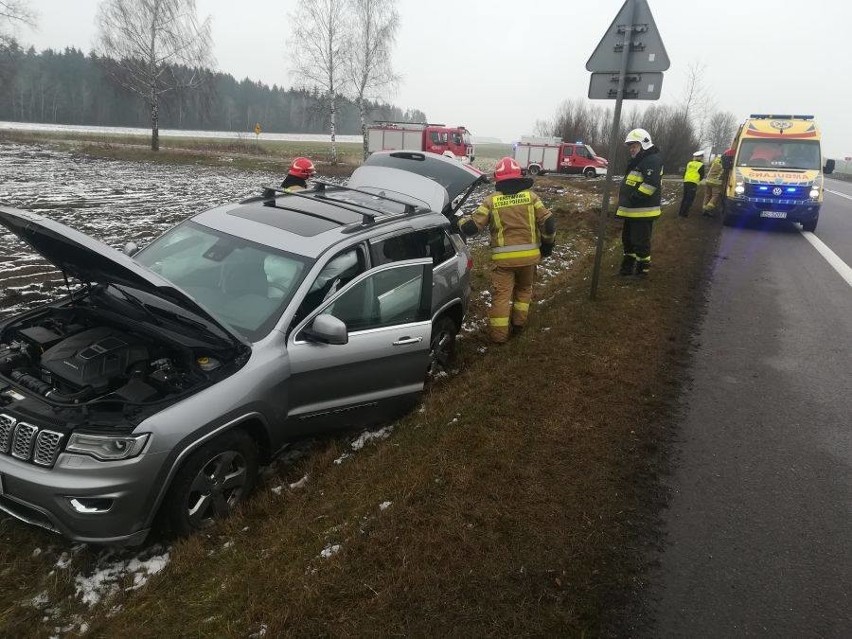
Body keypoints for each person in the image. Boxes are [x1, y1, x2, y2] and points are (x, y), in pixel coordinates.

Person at [458, 157, 556, 343]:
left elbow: (471, 228)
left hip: (504, 262)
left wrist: (460, 221)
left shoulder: (491, 201)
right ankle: (519, 326)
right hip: (529, 258)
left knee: (502, 297)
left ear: (498, 178)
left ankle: (499, 338)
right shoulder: (532, 197)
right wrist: (548, 246)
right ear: (519, 175)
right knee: (524, 290)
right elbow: (549, 223)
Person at [617, 128, 664, 277]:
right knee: (628, 240)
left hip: (643, 210)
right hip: (632, 210)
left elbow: (651, 184)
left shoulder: (652, 160)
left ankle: (642, 269)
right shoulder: (640, 159)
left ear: (644, 144)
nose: (631, 149)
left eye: (634, 146)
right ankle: (627, 266)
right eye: (630, 146)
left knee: (640, 241)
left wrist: (634, 197)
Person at [678, 151, 706, 217]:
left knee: (685, 197)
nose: (702, 158)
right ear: (700, 157)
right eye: (702, 157)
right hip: (693, 183)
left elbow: (685, 172)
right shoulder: (701, 165)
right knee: (690, 199)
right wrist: (698, 180)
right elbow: (702, 175)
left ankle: (680, 213)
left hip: (686, 181)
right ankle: (685, 214)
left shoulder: (689, 163)